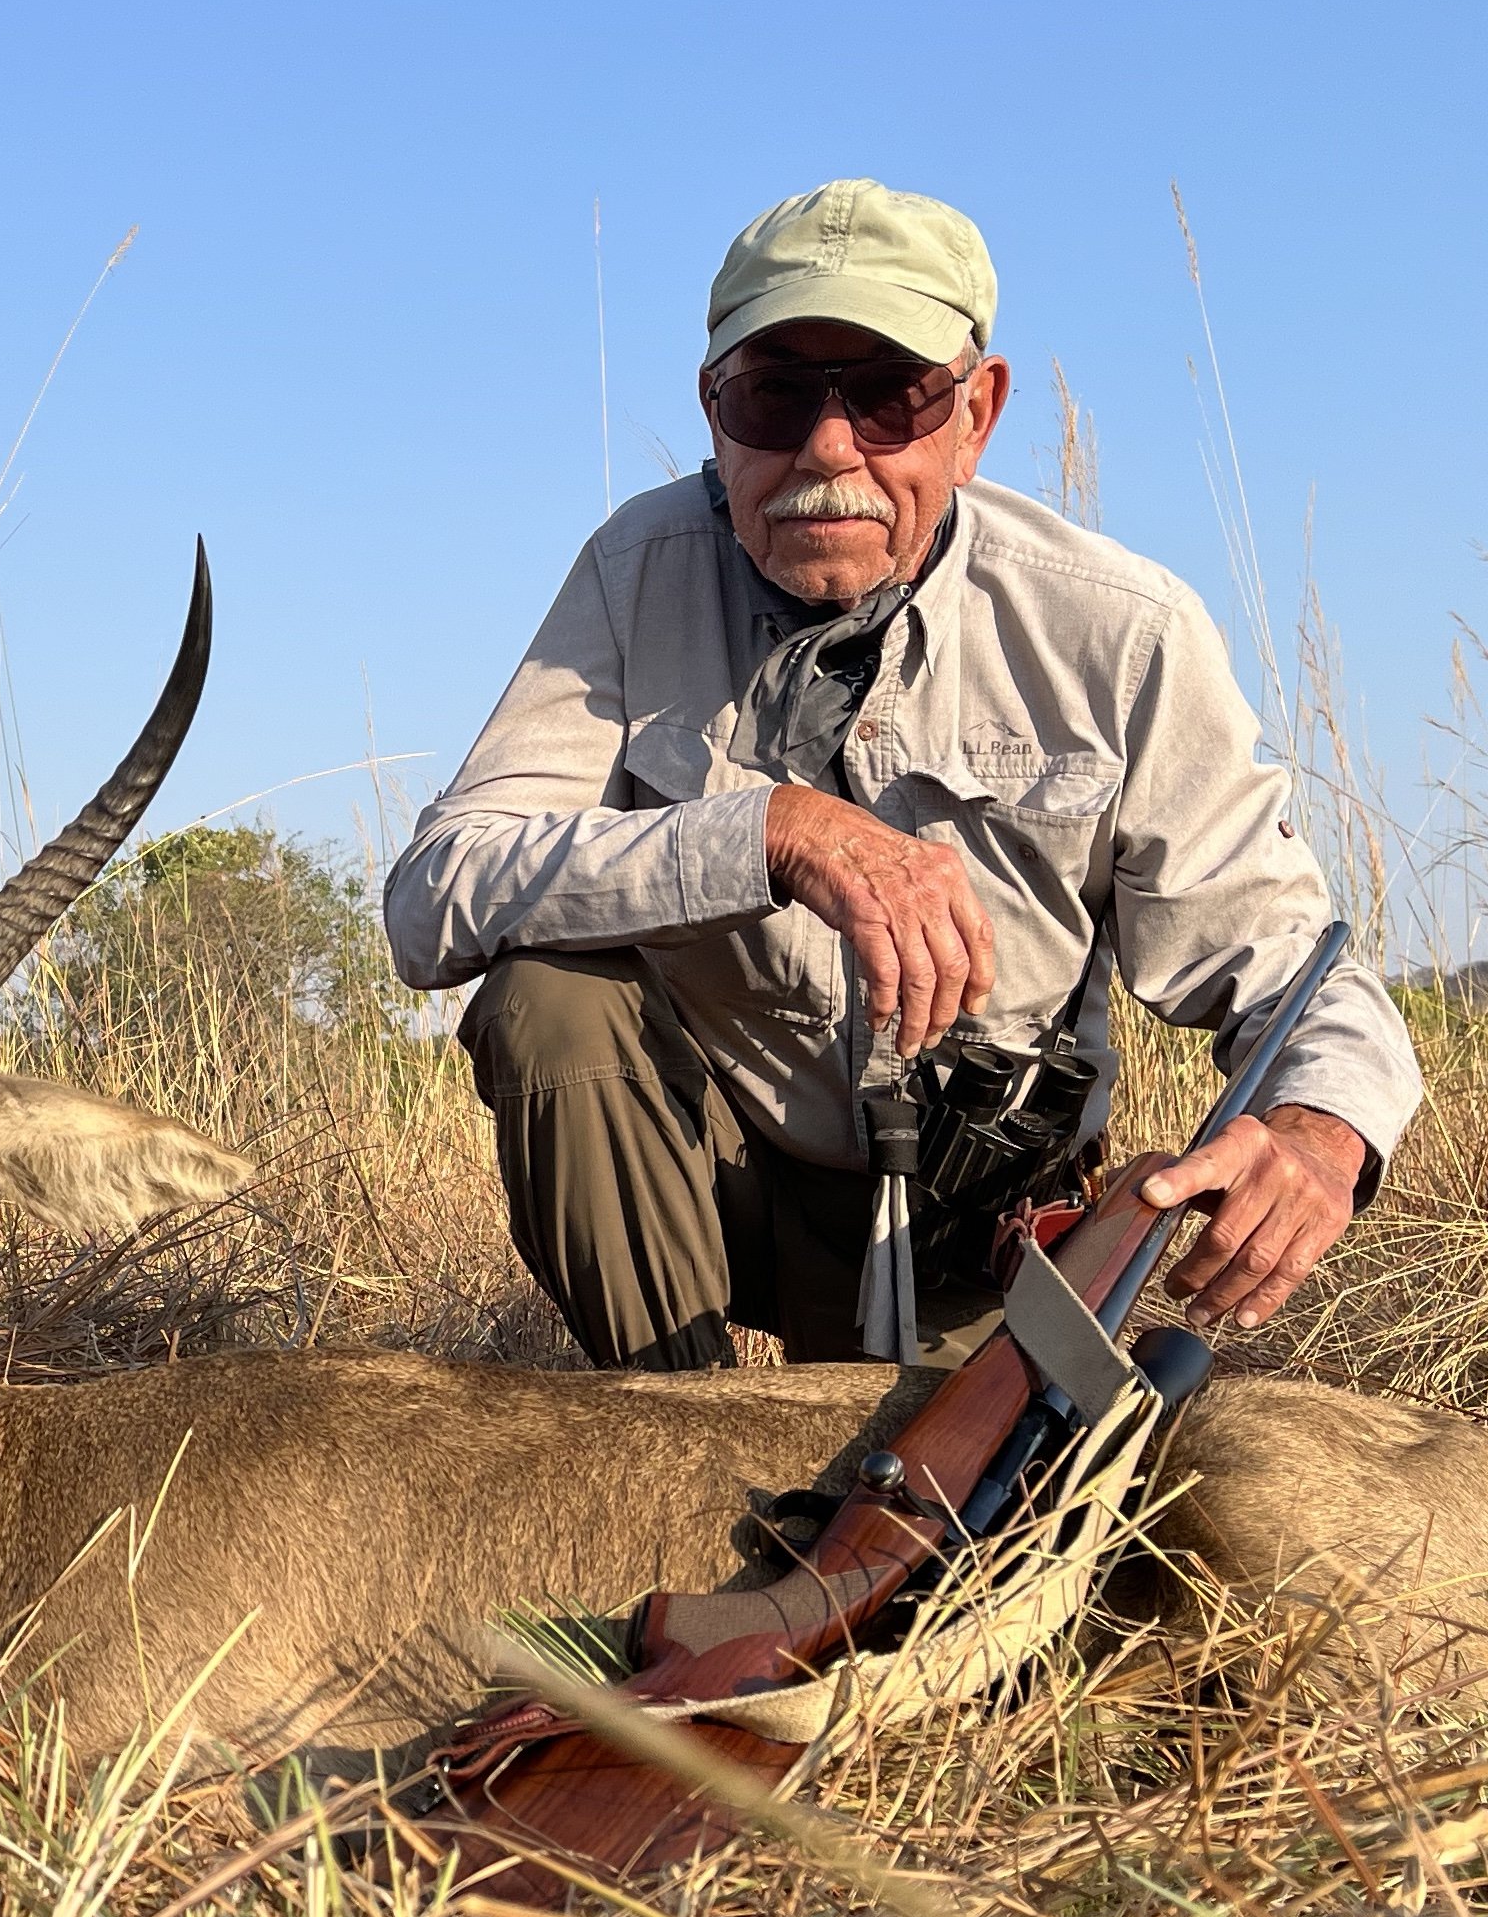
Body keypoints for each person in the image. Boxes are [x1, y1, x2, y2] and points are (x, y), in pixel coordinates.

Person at [383, 180, 1420, 1372]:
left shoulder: (1122, 630)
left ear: (976, 413)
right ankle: (666, 1431)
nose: (828, 450)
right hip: (715, 1186)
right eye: (775, 396)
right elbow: (434, 896)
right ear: (714, 410)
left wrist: (1321, 1132)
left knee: (956, 1522)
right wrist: (770, 831)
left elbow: (1290, 967)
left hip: (969, 1229)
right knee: (550, 1000)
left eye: (889, 398)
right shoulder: (635, 573)